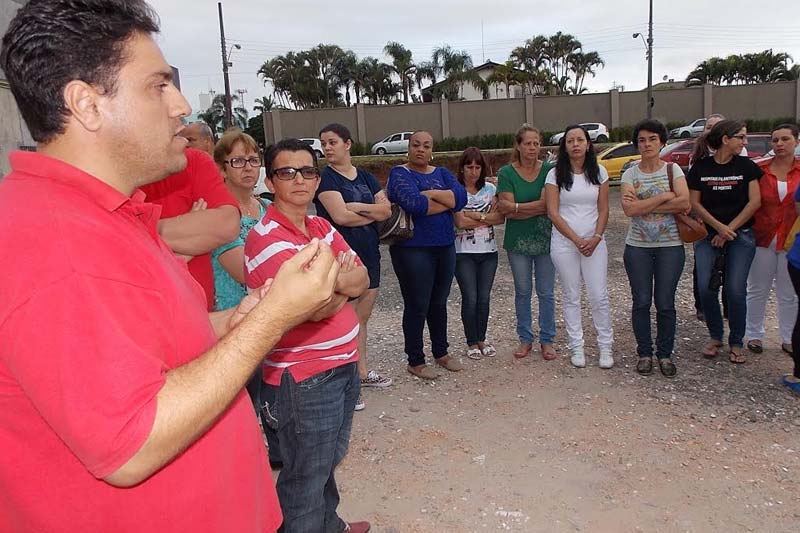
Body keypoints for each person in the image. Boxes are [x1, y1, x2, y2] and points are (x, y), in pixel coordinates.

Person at [0, 1, 341, 531]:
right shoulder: (55, 241)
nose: (181, 105)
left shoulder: (107, 214)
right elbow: (130, 443)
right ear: (86, 104)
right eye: (158, 85)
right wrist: (273, 318)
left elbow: (144, 348)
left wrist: (240, 320)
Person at [244, 139, 371, 533]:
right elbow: (308, 308)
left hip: (342, 364)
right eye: (287, 172)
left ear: (317, 179)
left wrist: (329, 285)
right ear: (270, 181)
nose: (299, 179)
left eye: (307, 171)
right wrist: (336, 283)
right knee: (305, 476)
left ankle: (329, 525)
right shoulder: (265, 238)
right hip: (303, 377)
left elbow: (362, 278)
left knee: (325, 462)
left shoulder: (320, 226)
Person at [315, 123, 393, 412]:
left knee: (362, 318)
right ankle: (346, 384)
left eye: (332, 142)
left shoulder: (366, 177)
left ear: (347, 144)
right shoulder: (326, 179)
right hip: (341, 257)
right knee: (343, 319)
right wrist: (371, 212)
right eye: (324, 143)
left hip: (369, 254)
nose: (327, 147)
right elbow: (340, 217)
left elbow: (386, 210)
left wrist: (357, 207)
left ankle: (361, 372)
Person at [387, 131, 468, 379]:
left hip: (445, 246)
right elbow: (415, 205)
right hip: (412, 249)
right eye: (416, 145)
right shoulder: (399, 174)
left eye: (426, 145)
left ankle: (441, 352)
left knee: (439, 302)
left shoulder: (442, 173)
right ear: (409, 148)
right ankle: (415, 360)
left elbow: (461, 198)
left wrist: (430, 194)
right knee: (417, 304)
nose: (421, 149)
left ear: (432, 149)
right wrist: (446, 200)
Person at [688, 119, 762, 364]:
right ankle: (715, 336)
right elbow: (695, 203)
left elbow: (755, 202)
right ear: (725, 139)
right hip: (708, 236)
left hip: (741, 236)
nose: (744, 142)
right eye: (740, 137)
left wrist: (729, 230)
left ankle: (736, 342)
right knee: (706, 288)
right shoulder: (701, 168)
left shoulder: (747, 166)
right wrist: (718, 228)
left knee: (735, 289)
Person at [620, 119, 690, 377]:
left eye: (652, 139)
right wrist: (664, 196)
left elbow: (684, 203)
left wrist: (644, 204)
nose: (647, 144)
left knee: (665, 302)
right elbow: (629, 210)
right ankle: (645, 353)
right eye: (641, 140)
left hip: (670, 246)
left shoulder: (673, 170)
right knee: (640, 301)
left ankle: (665, 353)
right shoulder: (630, 174)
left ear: (662, 142)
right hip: (637, 247)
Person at [545, 125, 614, 369]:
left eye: (580, 140)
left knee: (598, 295)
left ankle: (605, 346)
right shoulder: (554, 175)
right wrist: (576, 239)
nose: (575, 144)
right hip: (565, 244)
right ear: (564, 146)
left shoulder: (600, 172)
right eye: (570, 140)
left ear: (588, 144)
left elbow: (604, 209)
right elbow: (553, 212)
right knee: (571, 295)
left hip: (595, 243)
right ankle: (577, 346)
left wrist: (596, 237)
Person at [140, 146, 240, 311]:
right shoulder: (105, 176)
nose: (183, 139)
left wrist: (142, 232)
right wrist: (187, 235)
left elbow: (227, 225)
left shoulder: (193, 161)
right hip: (144, 313)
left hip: (201, 313)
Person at [497, 124, 557, 360]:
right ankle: (525, 338)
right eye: (528, 143)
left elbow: (548, 206)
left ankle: (547, 340)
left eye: (536, 143)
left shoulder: (550, 171)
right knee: (522, 291)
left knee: (546, 292)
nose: (532, 147)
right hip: (518, 242)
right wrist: (537, 207)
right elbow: (505, 210)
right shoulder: (506, 173)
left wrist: (517, 207)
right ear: (518, 146)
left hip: (545, 239)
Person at [746, 124, 800, 355]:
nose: (779, 144)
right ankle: (754, 334)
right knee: (757, 288)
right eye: (775, 140)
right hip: (762, 235)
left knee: (789, 293)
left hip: (791, 238)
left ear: (796, 141)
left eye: (785, 139)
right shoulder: (759, 169)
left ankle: (788, 338)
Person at [454, 147, 504, 360]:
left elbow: (500, 218)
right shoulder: (455, 190)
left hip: (489, 251)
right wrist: (485, 217)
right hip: (463, 252)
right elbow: (459, 222)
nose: (473, 171)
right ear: (462, 168)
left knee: (484, 298)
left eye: (477, 167)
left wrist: (474, 215)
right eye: (469, 167)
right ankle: (471, 341)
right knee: (470, 297)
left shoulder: (490, 189)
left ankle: (482, 338)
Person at [211, 129, 269, 312]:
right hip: (233, 315)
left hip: (271, 311)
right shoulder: (216, 213)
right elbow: (245, 271)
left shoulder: (269, 207)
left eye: (253, 160)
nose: (248, 167)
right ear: (222, 169)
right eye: (238, 161)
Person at [692, 113, 735, 321]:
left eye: (716, 126)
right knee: (702, 268)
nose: (712, 130)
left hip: (731, 223)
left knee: (729, 267)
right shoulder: (698, 156)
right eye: (709, 126)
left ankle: (728, 306)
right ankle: (702, 306)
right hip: (704, 220)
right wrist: (698, 215)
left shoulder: (738, 155)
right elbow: (693, 192)